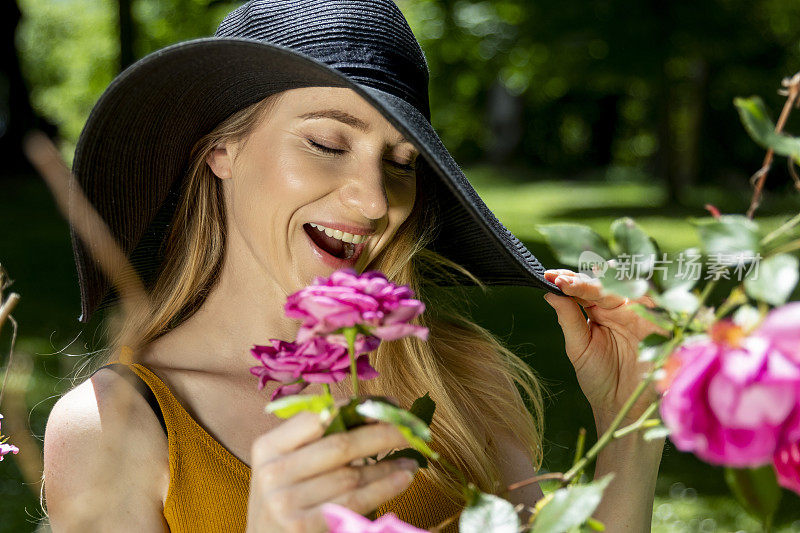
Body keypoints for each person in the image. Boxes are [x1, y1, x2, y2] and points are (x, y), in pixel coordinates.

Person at [41, 1, 666, 532]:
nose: (375, 200)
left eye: (400, 161)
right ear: (221, 149)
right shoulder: (113, 427)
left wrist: (630, 420)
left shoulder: (458, 379)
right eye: (327, 144)